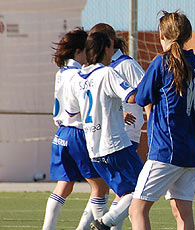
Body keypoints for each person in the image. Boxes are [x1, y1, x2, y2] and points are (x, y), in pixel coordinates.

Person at [128, 10, 195, 230]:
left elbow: (142, 97)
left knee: (137, 210)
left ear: (161, 36)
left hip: (166, 151)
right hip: (193, 153)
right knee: (182, 213)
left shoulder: (161, 62)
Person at [66, 32, 143, 230]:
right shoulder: (107, 73)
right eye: (111, 47)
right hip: (116, 144)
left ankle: (98, 224)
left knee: (125, 194)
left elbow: (73, 110)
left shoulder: (78, 77)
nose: (113, 51)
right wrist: (153, 87)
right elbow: (132, 96)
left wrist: (111, 113)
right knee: (144, 188)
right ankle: (104, 223)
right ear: (104, 49)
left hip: (94, 150)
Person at [42, 28, 109, 230]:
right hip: (79, 133)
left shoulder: (61, 73)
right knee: (101, 186)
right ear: (80, 51)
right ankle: (99, 226)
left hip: (61, 134)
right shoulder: (78, 75)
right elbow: (85, 104)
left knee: (64, 186)